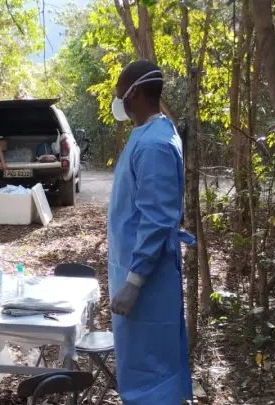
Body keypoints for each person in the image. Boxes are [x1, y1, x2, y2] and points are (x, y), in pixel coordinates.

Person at [106, 60, 196, 404]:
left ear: (136, 92)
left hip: (147, 281)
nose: (118, 101)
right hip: (132, 270)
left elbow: (157, 219)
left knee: (152, 369)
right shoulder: (146, 134)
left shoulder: (155, 145)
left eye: (119, 93)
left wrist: (135, 281)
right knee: (139, 363)